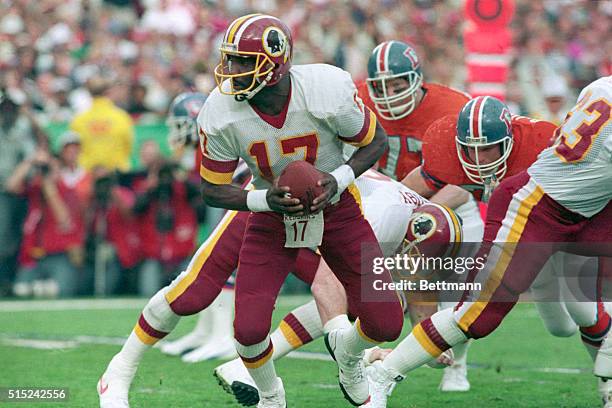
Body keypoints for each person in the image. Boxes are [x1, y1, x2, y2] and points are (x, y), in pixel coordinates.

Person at [365, 77, 612, 407]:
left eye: (487, 148)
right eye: (471, 149)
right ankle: (383, 375)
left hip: (589, 211)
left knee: (581, 316)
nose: (479, 158)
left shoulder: (591, 94)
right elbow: (415, 187)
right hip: (537, 208)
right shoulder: (448, 150)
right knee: (477, 314)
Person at [199, 14, 403, 407]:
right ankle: (272, 396)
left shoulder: (325, 88)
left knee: (386, 322)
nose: (233, 69)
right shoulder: (220, 111)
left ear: (274, 65)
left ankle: (348, 355)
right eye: (232, 59)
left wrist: (338, 180)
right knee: (248, 330)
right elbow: (212, 188)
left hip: (337, 209)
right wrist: (263, 199)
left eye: (244, 60)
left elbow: (375, 141)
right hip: (271, 217)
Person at [358, 39, 480, 391]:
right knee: (393, 282)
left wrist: (425, 212)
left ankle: (458, 364)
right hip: (391, 200)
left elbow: (469, 177)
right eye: (380, 86)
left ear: (417, 80)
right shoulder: (357, 101)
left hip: (452, 202)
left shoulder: (453, 106)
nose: (388, 94)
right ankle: (383, 356)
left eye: (397, 85)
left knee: (459, 294)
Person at [70, 76, 134, 172]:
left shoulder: (78, 120)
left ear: (90, 94)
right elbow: (129, 146)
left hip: (88, 173)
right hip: (117, 171)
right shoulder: (122, 117)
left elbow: (73, 150)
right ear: (108, 92)